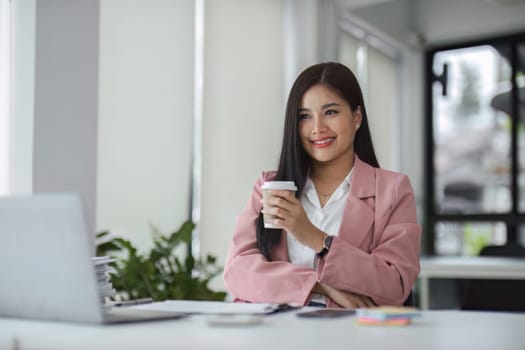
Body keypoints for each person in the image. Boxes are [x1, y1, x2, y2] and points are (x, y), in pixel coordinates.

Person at [223, 62, 421, 308]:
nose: (317, 128)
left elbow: (394, 284)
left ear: (356, 118)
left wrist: (316, 238)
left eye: (330, 112)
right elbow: (237, 273)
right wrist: (319, 284)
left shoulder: (392, 190)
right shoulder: (270, 187)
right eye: (305, 116)